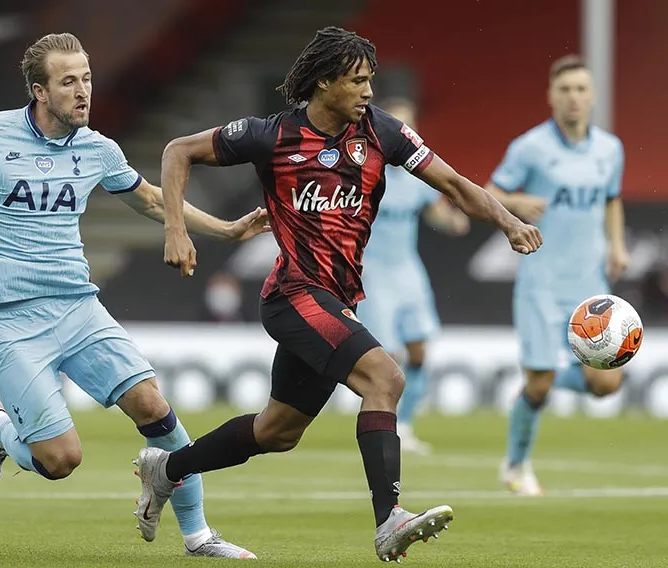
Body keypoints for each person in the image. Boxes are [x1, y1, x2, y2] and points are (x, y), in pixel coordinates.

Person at [137, 27, 542, 562]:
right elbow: (176, 151)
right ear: (324, 83)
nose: (368, 91)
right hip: (294, 294)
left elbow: (454, 185)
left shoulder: (384, 133)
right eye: (357, 81)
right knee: (386, 377)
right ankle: (389, 520)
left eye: (370, 80)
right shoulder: (270, 135)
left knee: (278, 431)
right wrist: (175, 229)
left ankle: (167, 469)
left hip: (336, 299)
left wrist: (508, 221)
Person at [0, 32, 266, 559]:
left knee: (155, 408)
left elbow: (153, 201)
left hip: (76, 306)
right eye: (68, 81)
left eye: (87, 79)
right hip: (10, 319)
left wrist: (226, 230)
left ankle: (198, 536)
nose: (83, 91)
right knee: (60, 460)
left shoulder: (97, 148)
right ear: (39, 91)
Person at [484, 55, 629, 496]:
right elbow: (490, 193)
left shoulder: (610, 149)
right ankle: (516, 466)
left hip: (589, 288)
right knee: (543, 385)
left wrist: (617, 245)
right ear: (551, 95)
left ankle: (531, 388)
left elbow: (611, 199)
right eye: (565, 89)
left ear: (593, 96)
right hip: (541, 285)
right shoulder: (530, 147)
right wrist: (517, 203)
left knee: (607, 382)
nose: (573, 98)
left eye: (581, 89)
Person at [358, 97, 469, 455]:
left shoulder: (415, 175)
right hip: (373, 271)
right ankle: (387, 428)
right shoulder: (363, 171)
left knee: (419, 349)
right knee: (389, 359)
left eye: (410, 124)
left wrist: (453, 221)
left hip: (407, 269)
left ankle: (404, 424)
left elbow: (436, 210)